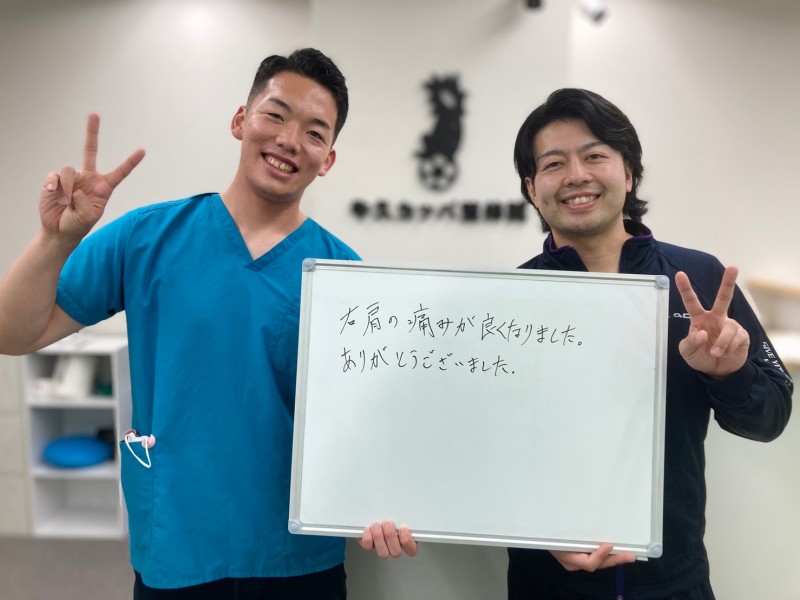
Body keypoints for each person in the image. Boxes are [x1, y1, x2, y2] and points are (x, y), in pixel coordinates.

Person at [0, 48, 415, 599]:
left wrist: (389, 495)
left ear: (328, 159)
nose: (290, 140)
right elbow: (14, 333)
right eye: (275, 115)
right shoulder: (147, 237)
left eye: (315, 133)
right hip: (179, 543)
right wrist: (55, 240)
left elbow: (369, 421)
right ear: (240, 120)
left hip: (294, 554)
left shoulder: (344, 275)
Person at [506, 88, 793, 599]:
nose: (576, 175)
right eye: (553, 164)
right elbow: (484, 447)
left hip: (674, 579)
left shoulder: (697, 279)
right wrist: (534, 529)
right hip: (547, 582)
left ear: (629, 173)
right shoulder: (508, 300)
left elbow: (770, 418)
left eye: (595, 155)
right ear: (532, 188)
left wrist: (729, 373)